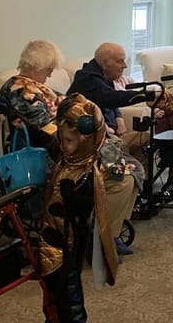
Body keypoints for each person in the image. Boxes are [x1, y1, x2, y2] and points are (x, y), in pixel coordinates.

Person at [38, 95, 120, 323]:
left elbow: (85, 206)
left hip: (70, 242)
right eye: (63, 140)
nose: (65, 146)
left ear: (85, 141)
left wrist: (70, 194)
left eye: (71, 141)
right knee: (53, 289)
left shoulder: (87, 172)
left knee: (69, 291)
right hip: (51, 237)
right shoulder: (65, 162)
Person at [65, 42, 151, 255]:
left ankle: (115, 227)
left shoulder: (102, 78)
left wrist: (120, 118)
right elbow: (108, 97)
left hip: (111, 139)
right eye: (120, 61)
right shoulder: (88, 79)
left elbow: (110, 102)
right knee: (133, 169)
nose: (124, 65)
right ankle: (104, 233)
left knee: (143, 152)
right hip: (93, 147)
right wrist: (147, 95)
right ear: (105, 62)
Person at [0, 40, 65, 148]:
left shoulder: (31, 85)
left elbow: (64, 100)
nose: (50, 75)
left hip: (53, 141)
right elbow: (43, 129)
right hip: (43, 148)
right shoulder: (22, 90)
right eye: (48, 70)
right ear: (36, 67)